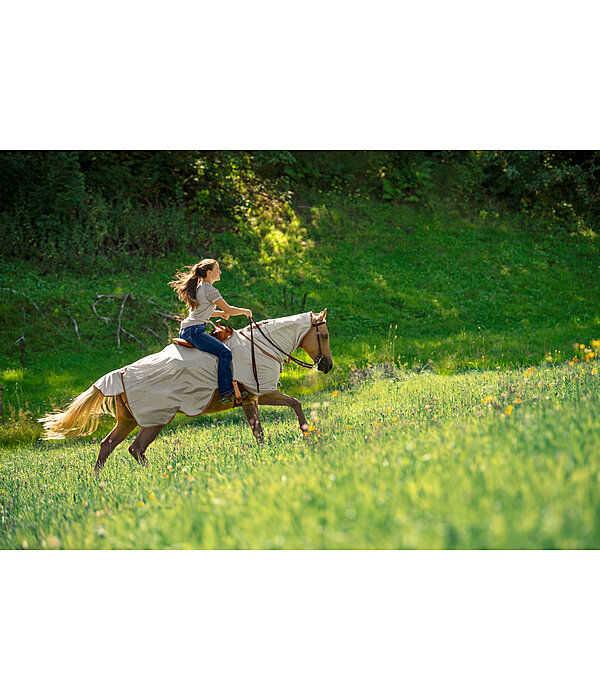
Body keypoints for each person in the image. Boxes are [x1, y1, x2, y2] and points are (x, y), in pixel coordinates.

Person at [169, 259, 252, 403]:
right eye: (217, 269)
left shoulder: (199, 287)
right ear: (209, 272)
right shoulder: (209, 289)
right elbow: (229, 309)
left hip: (188, 329)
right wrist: (246, 311)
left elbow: (200, 312)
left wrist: (219, 314)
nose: (220, 272)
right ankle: (226, 392)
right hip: (195, 331)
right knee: (225, 353)